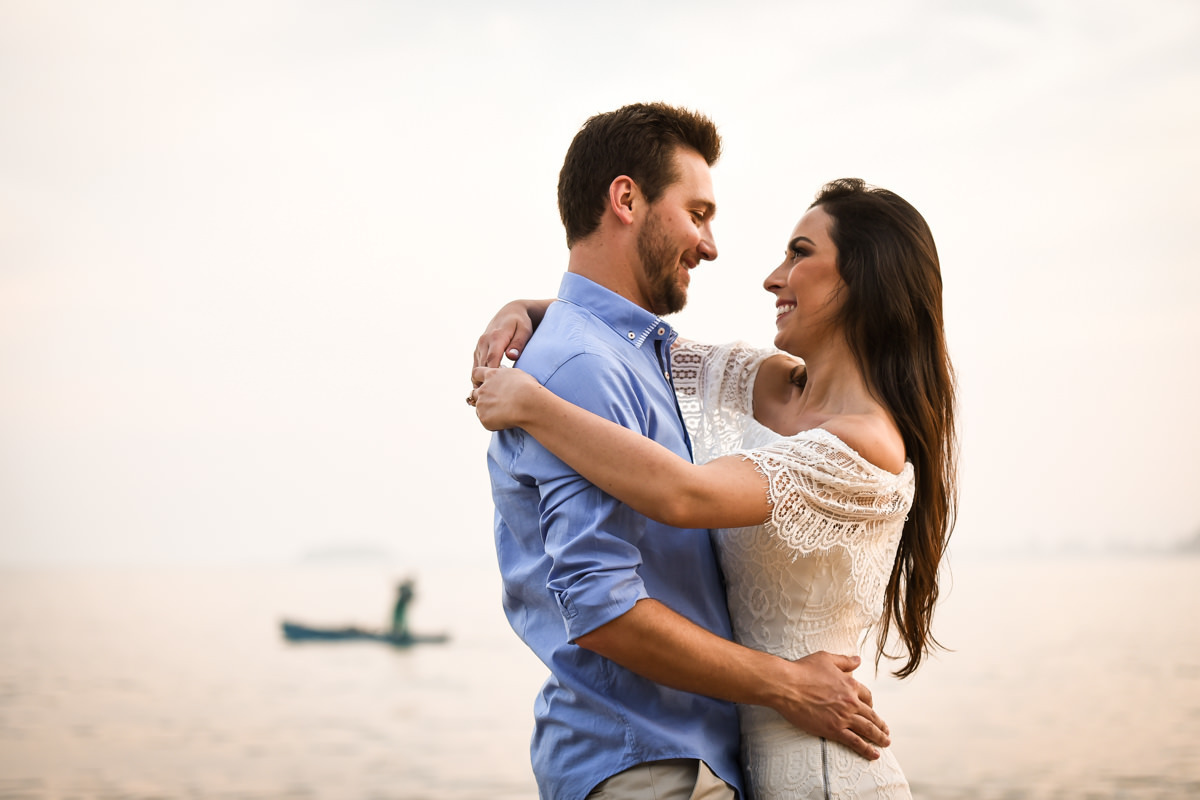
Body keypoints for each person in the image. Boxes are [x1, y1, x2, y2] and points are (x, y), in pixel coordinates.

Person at [471, 178, 957, 799]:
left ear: (865, 280)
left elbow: (685, 496)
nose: (773, 278)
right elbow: (643, 342)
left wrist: (532, 405)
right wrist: (531, 310)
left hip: (826, 772)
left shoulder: (868, 444)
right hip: (744, 765)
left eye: (800, 253)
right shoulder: (778, 385)